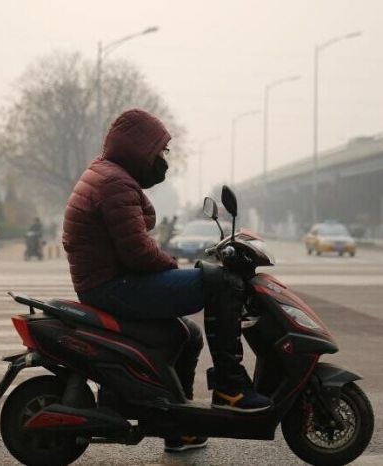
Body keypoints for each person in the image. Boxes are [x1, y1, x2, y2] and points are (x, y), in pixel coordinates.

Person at [63, 109, 270, 452]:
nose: (163, 159)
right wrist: (172, 265)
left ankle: (181, 427)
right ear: (139, 148)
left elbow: (134, 243)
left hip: (108, 282)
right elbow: (138, 254)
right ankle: (231, 387)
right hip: (113, 287)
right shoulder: (114, 181)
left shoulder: (110, 175)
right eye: (159, 151)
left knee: (187, 334)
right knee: (222, 282)